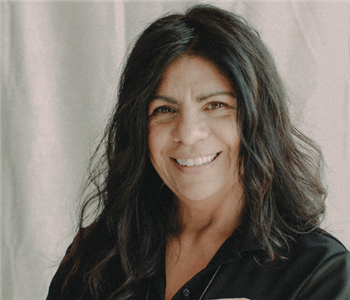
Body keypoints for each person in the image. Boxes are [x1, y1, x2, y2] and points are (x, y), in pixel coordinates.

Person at [46, 4, 350, 300]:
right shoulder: (97, 255)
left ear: (259, 119)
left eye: (215, 105)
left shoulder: (321, 272)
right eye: (164, 109)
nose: (188, 133)